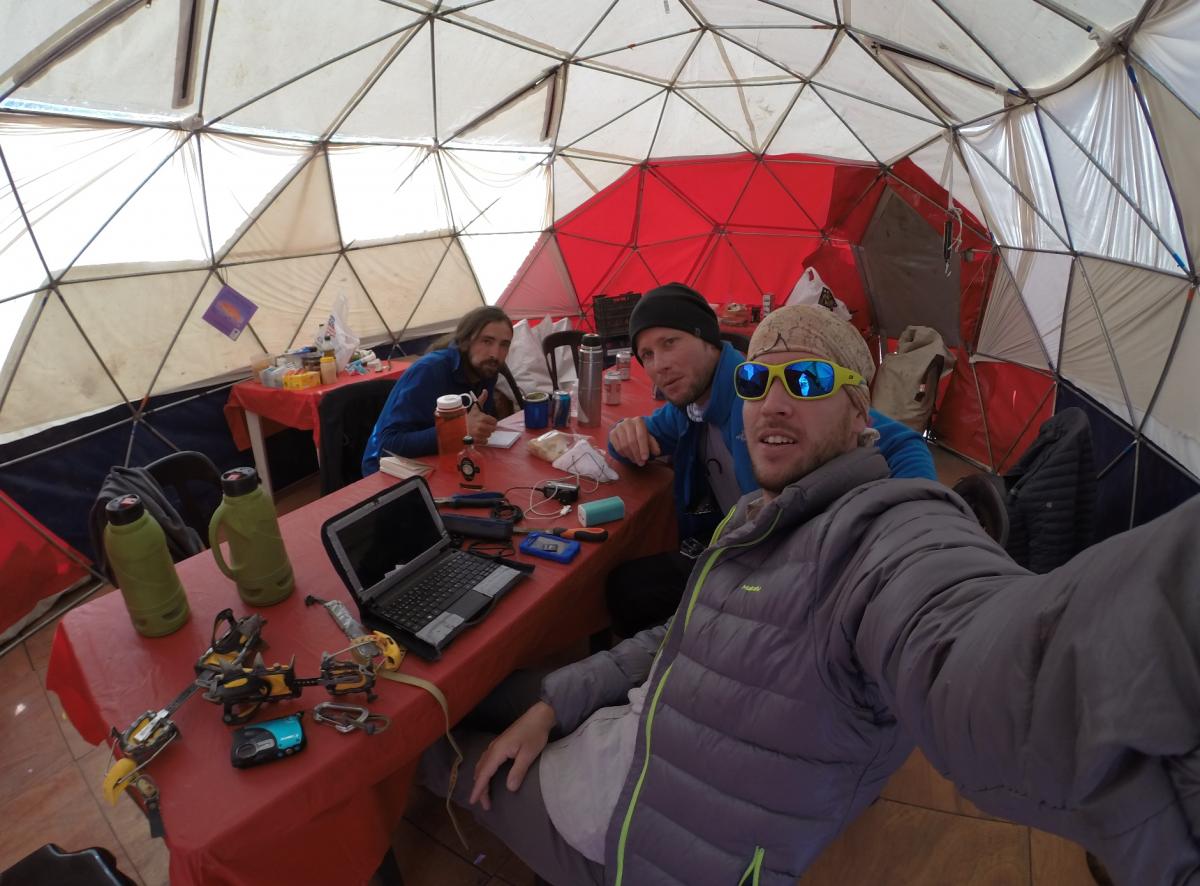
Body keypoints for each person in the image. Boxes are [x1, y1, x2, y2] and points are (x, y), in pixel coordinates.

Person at [419, 304, 1200, 886]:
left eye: (809, 379)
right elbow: (682, 634)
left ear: (861, 413)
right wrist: (556, 704)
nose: (773, 401)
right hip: (640, 723)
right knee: (483, 687)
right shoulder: (762, 518)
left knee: (416, 739)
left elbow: (985, 655)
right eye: (757, 380)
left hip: (636, 831)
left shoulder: (882, 532)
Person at [604, 282, 935, 638]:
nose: (660, 365)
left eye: (670, 343)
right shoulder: (689, 407)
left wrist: (911, 535)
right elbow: (638, 436)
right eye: (647, 355)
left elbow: (902, 442)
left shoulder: (763, 387)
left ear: (708, 338)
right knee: (629, 586)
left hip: (787, 564)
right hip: (738, 545)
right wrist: (623, 434)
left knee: (634, 590)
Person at [361, 306, 513, 475]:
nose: (495, 354)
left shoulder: (487, 369)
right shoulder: (430, 370)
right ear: (466, 341)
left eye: (504, 345)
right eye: (487, 341)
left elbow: (474, 432)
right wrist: (459, 430)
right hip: (392, 474)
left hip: (448, 462)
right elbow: (387, 445)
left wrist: (477, 428)